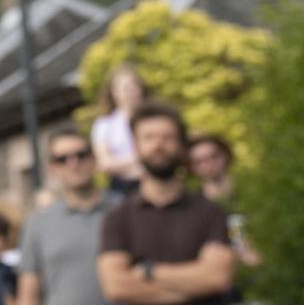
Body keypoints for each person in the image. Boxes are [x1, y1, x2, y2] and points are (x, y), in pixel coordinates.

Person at [96, 103, 235, 304]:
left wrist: (148, 271)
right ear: (136, 145)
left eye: (167, 137)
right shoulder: (118, 218)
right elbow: (116, 287)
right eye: (149, 137)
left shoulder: (210, 212)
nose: (158, 145)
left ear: (181, 145)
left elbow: (217, 278)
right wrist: (192, 284)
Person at [16, 128, 113, 305]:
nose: (73, 164)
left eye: (81, 155)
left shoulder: (123, 211)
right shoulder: (38, 223)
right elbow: (28, 295)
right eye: (62, 159)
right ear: (52, 168)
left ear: (94, 158)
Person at [182, 136, 257, 269]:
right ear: (191, 167)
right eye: (199, 161)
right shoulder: (191, 206)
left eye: (213, 156)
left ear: (226, 156)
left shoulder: (253, 192)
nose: (208, 164)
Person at [90, 64, 148, 194]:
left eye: (134, 86)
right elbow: (104, 162)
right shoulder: (104, 124)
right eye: (124, 88)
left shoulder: (153, 119)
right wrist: (141, 160)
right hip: (122, 188)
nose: (130, 92)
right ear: (114, 93)